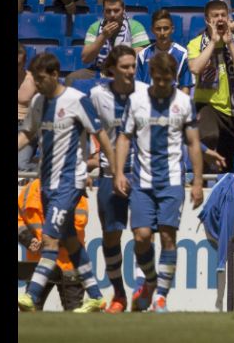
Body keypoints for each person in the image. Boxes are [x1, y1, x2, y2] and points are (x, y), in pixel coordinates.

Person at [18, 53, 116, 313]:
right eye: (35, 80)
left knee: (50, 238)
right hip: (46, 182)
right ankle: (96, 296)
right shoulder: (38, 101)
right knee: (70, 240)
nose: (37, 84)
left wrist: (115, 170)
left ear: (54, 75)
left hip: (69, 181)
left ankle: (31, 295)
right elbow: (27, 133)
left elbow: (101, 135)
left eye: (41, 79)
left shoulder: (76, 100)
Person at [113, 52, 205, 312]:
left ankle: (161, 297)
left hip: (172, 180)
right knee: (142, 237)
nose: (163, 84)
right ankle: (151, 280)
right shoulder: (136, 101)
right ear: (151, 75)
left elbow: (193, 143)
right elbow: (124, 137)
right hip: (142, 181)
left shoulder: (184, 102)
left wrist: (197, 181)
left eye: (167, 80)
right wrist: (119, 172)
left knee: (167, 236)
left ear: (173, 77)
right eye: (158, 79)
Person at [88, 45, 146, 313]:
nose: (131, 71)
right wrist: (84, 163)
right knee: (111, 236)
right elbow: (83, 127)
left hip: (142, 174)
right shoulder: (97, 96)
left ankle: (144, 291)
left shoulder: (145, 92)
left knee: (143, 234)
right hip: (109, 174)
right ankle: (120, 295)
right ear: (112, 69)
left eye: (133, 66)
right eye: (125, 67)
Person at [188, 0, 234, 174]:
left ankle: (223, 186)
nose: (220, 19)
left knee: (226, 161)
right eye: (215, 16)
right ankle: (202, 178)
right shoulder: (196, 43)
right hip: (207, 104)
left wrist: (229, 44)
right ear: (207, 20)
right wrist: (213, 42)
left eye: (223, 15)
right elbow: (195, 68)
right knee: (209, 135)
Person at [18, 177, 88, 311]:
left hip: (68, 264)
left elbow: (79, 221)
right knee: (29, 312)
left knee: (75, 314)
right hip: (39, 263)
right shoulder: (29, 191)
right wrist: (29, 239)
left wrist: (51, 241)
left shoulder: (73, 188)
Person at [66, 0, 150, 85]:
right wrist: (103, 36)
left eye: (116, 10)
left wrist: (114, 68)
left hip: (124, 69)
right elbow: (86, 58)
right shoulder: (94, 27)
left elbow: (139, 56)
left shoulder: (135, 26)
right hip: (98, 70)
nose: (112, 15)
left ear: (123, 10)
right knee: (72, 78)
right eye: (108, 11)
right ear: (103, 12)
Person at [136, 9, 193, 95]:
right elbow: (138, 85)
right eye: (158, 29)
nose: (162, 33)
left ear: (172, 29)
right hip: (147, 100)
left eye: (166, 28)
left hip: (173, 100)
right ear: (152, 30)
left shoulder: (183, 55)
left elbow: (185, 87)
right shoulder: (143, 55)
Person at [18, 43, 38, 173]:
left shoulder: (33, 80)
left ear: (24, 62)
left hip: (25, 127)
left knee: (20, 165)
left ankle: (43, 168)